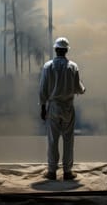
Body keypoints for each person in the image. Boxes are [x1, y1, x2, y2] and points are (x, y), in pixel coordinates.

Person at [39, 37, 86, 180]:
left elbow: (43, 89)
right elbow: (79, 88)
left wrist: (43, 108)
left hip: (53, 107)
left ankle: (52, 172)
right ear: (66, 50)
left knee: (52, 140)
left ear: (55, 49)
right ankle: (67, 172)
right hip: (68, 108)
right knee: (68, 140)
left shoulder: (47, 66)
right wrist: (83, 89)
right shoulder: (73, 66)